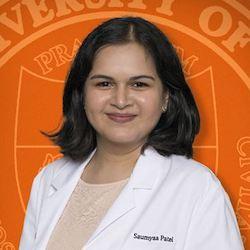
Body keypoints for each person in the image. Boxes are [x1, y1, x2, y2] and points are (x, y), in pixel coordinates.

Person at [19, 16, 244, 250]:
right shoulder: (49, 180)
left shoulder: (198, 188)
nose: (121, 100)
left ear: (166, 96)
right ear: (82, 94)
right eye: (104, 84)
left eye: (139, 84)